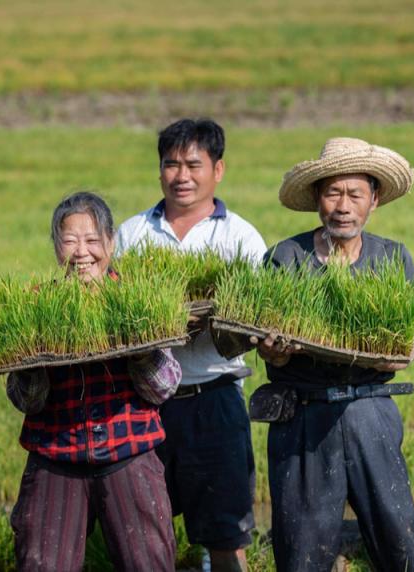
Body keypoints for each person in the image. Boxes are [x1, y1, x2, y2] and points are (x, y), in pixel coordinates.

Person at [256, 137, 414, 571]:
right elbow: (270, 351)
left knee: (400, 543)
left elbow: (404, 343)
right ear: (317, 198)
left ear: (375, 199)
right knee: (301, 553)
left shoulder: (392, 258)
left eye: (355, 194)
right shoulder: (286, 258)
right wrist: (275, 354)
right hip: (304, 419)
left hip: (370, 414)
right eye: (333, 192)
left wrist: (400, 351)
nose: (343, 205)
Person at [115, 118, 267, 571]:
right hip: (144, 404)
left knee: (225, 535)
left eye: (193, 164)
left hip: (215, 400)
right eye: (171, 164)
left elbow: (258, 317)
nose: (181, 176)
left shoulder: (239, 236)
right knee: (144, 535)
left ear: (217, 170)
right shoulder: (131, 233)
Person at [7, 191, 180, 571]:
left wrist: (140, 352)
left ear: (112, 243)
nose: (81, 252)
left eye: (92, 240)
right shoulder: (34, 305)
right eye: (69, 240)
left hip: (128, 452)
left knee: (147, 563)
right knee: (41, 563)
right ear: (56, 247)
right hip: (56, 455)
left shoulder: (138, 300)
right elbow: (25, 400)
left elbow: (165, 387)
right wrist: (32, 361)